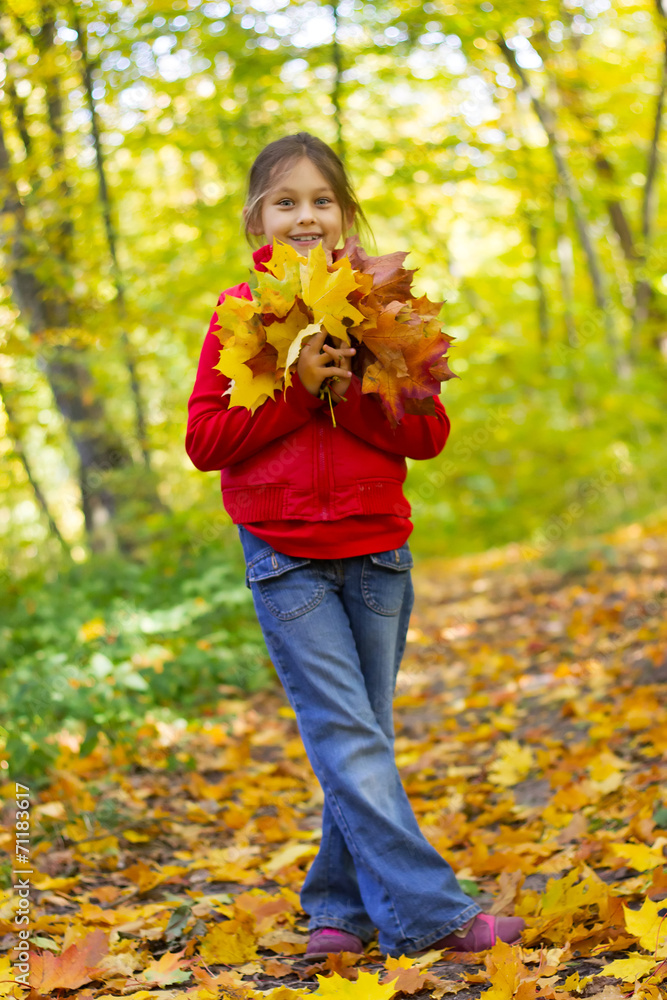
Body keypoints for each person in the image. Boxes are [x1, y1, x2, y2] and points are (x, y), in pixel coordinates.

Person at [185, 132, 525, 959]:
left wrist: (358, 386)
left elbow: (428, 435)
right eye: (285, 201)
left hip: (377, 553)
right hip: (284, 553)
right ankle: (433, 913)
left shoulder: (385, 306)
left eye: (321, 200)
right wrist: (299, 394)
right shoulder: (239, 316)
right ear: (256, 218)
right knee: (345, 734)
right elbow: (205, 442)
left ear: (344, 213)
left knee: (361, 736)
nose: (305, 215)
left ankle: (338, 906)